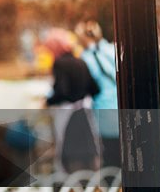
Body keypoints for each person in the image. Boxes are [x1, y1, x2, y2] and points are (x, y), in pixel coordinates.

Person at [44, 28, 101, 173]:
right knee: (88, 156)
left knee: (69, 158)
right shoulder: (80, 61)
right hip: (84, 114)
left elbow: (61, 91)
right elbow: (95, 88)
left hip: (68, 116)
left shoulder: (59, 64)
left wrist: (48, 101)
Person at [75, 20, 120, 169]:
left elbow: (88, 86)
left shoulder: (85, 58)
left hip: (103, 109)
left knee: (109, 152)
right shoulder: (112, 49)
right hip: (121, 105)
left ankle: (113, 188)